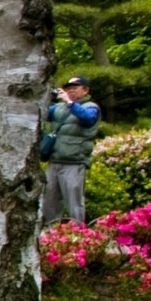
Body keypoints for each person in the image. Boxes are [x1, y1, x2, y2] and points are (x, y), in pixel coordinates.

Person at [41, 75, 102, 226]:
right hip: (54, 161)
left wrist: (68, 102)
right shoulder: (58, 108)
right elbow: (41, 113)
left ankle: (79, 233)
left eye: (74, 88)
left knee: (74, 202)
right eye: (68, 89)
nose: (71, 91)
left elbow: (87, 119)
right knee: (49, 201)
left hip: (74, 162)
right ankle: (50, 234)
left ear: (85, 90)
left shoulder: (91, 107)